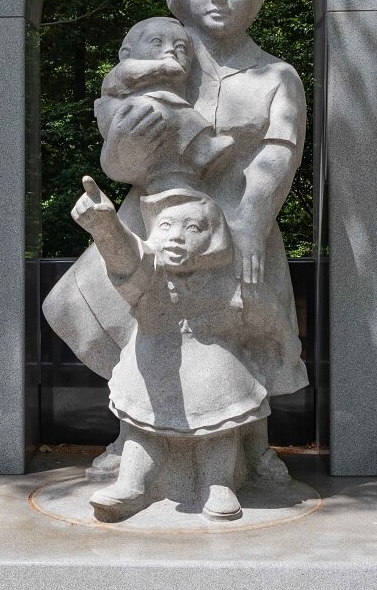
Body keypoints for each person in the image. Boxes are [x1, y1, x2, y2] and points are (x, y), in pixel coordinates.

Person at [42, 0, 308, 483]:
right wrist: (128, 146)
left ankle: (251, 442)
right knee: (119, 314)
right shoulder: (163, 62)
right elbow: (117, 156)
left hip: (239, 221)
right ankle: (135, 429)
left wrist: (254, 217)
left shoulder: (276, 75)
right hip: (151, 217)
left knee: (237, 325)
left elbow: (280, 152)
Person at [71, 176, 277, 521]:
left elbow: (262, 315)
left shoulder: (228, 279)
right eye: (165, 225)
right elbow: (127, 262)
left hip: (214, 371)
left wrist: (274, 337)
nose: (176, 236)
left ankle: (218, 483)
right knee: (143, 432)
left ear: (212, 238)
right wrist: (106, 227)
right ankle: (131, 483)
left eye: (192, 227)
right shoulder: (150, 271)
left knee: (220, 429)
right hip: (154, 367)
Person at [95, 16, 234, 192]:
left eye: (181, 47)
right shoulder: (124, 68)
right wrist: (164, 67)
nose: (170, 51)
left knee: (183, 115)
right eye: (156, 42)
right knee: (177, 113)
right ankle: (201, 149)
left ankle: (202, 149)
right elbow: (128, 75)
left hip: (156, 123)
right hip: (124, 114)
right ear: (126, 54)